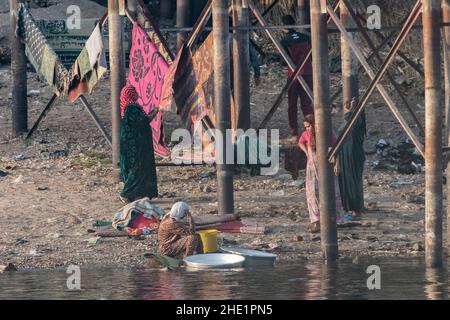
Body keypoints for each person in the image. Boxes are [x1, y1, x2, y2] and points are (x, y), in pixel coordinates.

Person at [298, 115, 349, 233]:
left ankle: (336, 219)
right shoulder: (306, 135)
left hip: (327, 165)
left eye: (309, 126)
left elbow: (336, 148)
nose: (308, 129)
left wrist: (337, 164)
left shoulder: (327, 132)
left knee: (332, 191)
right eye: (306, 127)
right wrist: (307, 152)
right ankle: (316, 221)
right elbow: (301, 142)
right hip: (312, 167)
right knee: (313, 193)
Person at [119, 85, 158, 204]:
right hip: (135, 145)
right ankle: (126, 194)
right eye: (134, 92)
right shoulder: (132, 108)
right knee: (137, 168)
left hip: (131, 143)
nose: (137, 94)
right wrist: (157, 110)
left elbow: (143, 119)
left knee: (133, 167)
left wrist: (153, 111)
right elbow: (144, 121)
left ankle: (138, 195)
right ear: (131, 94)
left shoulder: (128, 107)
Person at [280, 14, 314, 143]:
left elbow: (284, 61)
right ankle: (311, 133)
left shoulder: (284, 41)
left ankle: (294, 134)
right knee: (307, 104)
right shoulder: (306, 37)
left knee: (292, 105)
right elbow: (312, 55)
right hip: (308, 73)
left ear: (284, 28)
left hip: (294, 76)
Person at [338, 97, 366, 218]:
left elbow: (350, 119)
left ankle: (356, 208)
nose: (346, 110)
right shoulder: (347, 121)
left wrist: (354, 109)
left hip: (353, 156)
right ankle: (348, 207)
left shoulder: (357, 120)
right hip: (344, 156)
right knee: (344, 182)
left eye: (348, 107)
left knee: (353, 182)